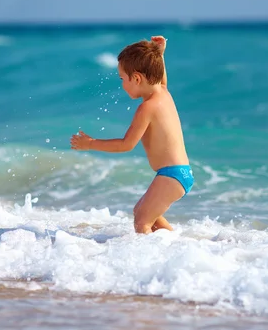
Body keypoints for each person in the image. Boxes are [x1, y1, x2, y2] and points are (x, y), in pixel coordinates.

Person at [70, 36, 193, 234]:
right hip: (178, 174)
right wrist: (159, 54)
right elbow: (160, 76)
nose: (122, 85)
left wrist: (91, 143)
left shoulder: (147, 108)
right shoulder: (163, 92)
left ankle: (148, 259)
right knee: (142, 212)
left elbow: (126, 144)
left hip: (172, 176)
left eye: (122, 79)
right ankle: (174, 244)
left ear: (136, 78)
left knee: (142, 222)